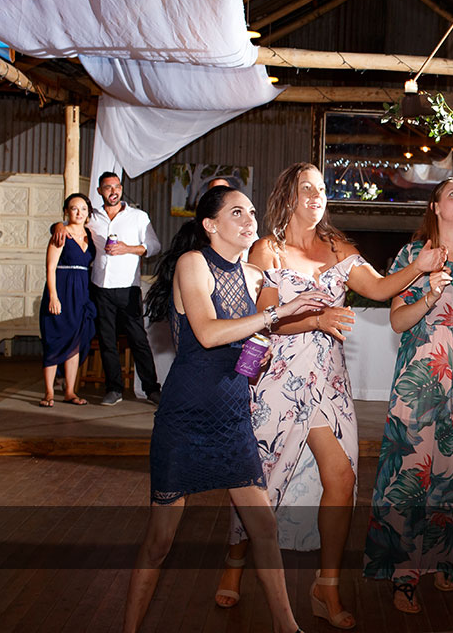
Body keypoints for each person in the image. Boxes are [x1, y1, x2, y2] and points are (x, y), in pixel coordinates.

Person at [218, 163, 444, 629]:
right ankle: (234, 563)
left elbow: (380, 288)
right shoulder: (269, 250)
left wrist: (416, 269)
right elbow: (266, 317)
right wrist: (318, 319)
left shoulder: (338, 246)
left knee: (341, 477)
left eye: (322, 189)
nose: (317, 196)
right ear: (289, 194)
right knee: (262, 483)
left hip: (327, 380)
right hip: (279, 378)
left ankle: (327, 585)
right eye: (307, 188)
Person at [125, 186, 319, 633]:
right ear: (210, 225)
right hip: (186, 417)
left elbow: (243, 342)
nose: (249, 219)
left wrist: (259, 353)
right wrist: (275, 315)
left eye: (252, 211)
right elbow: (209, 334)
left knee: (264, 530)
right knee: (159, 542)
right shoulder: (194, 264)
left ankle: (287, 627)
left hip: (232, 418)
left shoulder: (254, 276)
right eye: (237, 212)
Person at [363, 177, 453, 613]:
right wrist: (429, 293)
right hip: (422, 374)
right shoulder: (414, 255)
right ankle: (404, 575)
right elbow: (398, 321)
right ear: (435, 206)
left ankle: (449, 562)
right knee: (413, 469)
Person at [53, 172, 162, 406]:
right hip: (100, 287)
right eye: (107, 188)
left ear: (121, 189)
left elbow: (154, 246)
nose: (113, 191)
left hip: (128, 288)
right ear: (100, 191)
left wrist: (128, 248)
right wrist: (57, 225)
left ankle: (152, 389)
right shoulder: (92, 217)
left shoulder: (138, 217)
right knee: (106, 340)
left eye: (117, 187)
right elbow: (71, 223)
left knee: (138, 340)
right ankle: (114, 389)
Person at [37, 192, 96, 407]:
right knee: (54, 340)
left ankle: (70, 391)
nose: (79, 212)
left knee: (76, 342)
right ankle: (49, 392)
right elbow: (50, 267)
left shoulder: (91, 236)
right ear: (66, 211)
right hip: (61, 292)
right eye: (74, 208)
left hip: (81, 294)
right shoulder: (61, 235)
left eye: (83, 208)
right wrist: (53, 296)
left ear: (88, 213)